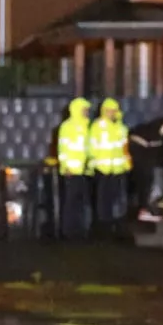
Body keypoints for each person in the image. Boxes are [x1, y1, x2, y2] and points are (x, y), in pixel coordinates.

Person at [87, 97, 131, 238]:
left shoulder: (121, 128)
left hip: (117, 169)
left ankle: (115, 225)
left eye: (113, 111)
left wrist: (127, 163)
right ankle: (102, 226)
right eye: (108, 111)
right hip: (102, 168)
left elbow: (124, 148)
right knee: (102, 199)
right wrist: (92, 165)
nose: (111, 113)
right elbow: (92, 147)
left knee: (116, 198)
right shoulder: (97, 126)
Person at [56, 97, 92, 240]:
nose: (87, 112)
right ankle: (69, 231)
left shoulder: (88, 126)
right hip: (71, 171)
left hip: (85, 170)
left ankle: (82, 230)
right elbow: (63, 149)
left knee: (84, 202)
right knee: (71, 202)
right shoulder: (67, 126)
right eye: (85, 110)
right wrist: (65, 167)